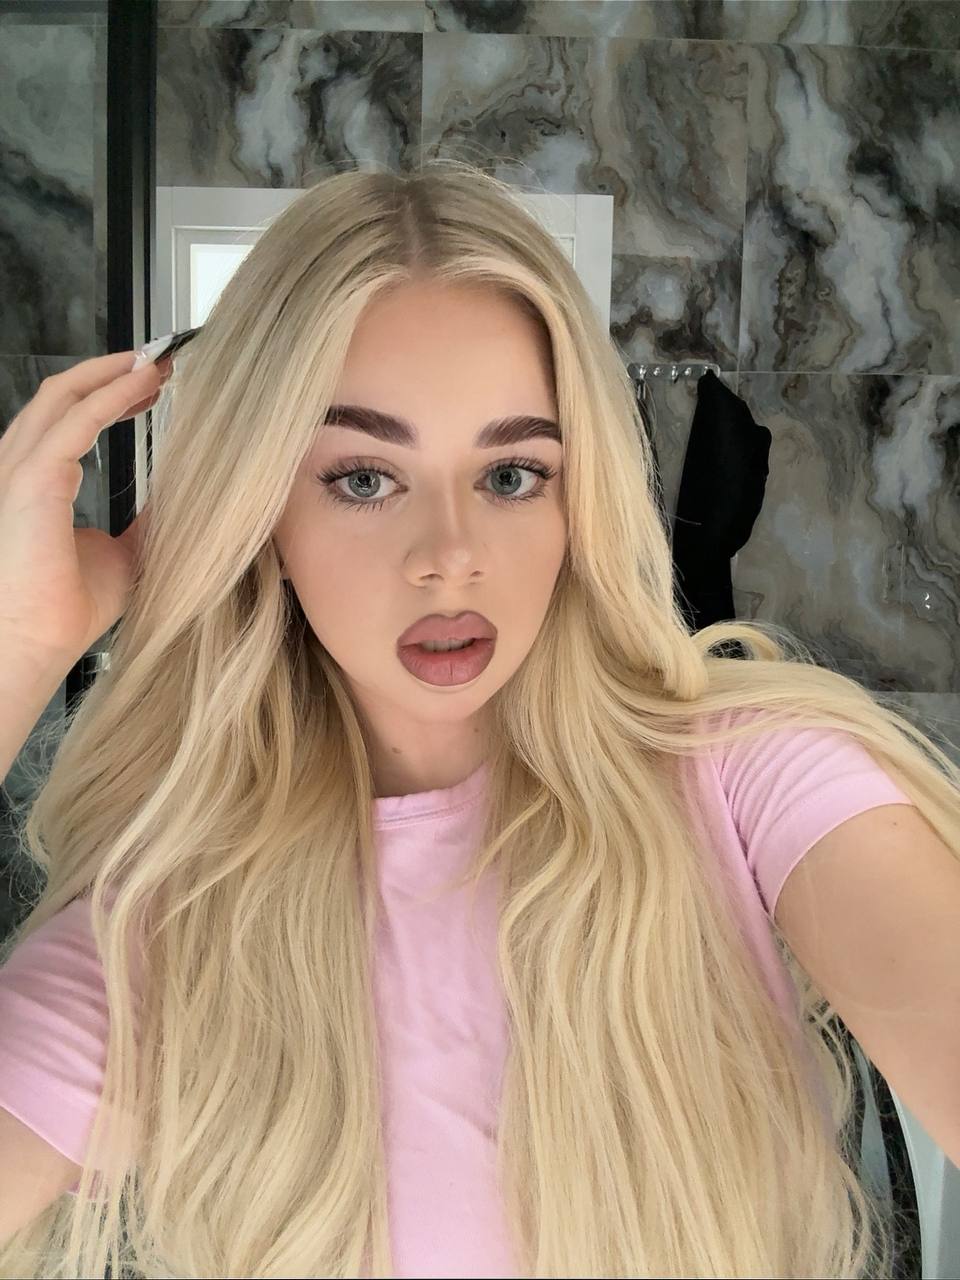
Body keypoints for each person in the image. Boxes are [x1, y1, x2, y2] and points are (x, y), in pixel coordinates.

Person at [0, 157, 957, 1280]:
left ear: (577, 498)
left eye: (511, 475)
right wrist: (17, 642)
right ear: (262, 514)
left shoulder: (757, 784)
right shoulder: (164, 928)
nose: (450, 557)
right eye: (364, 478)